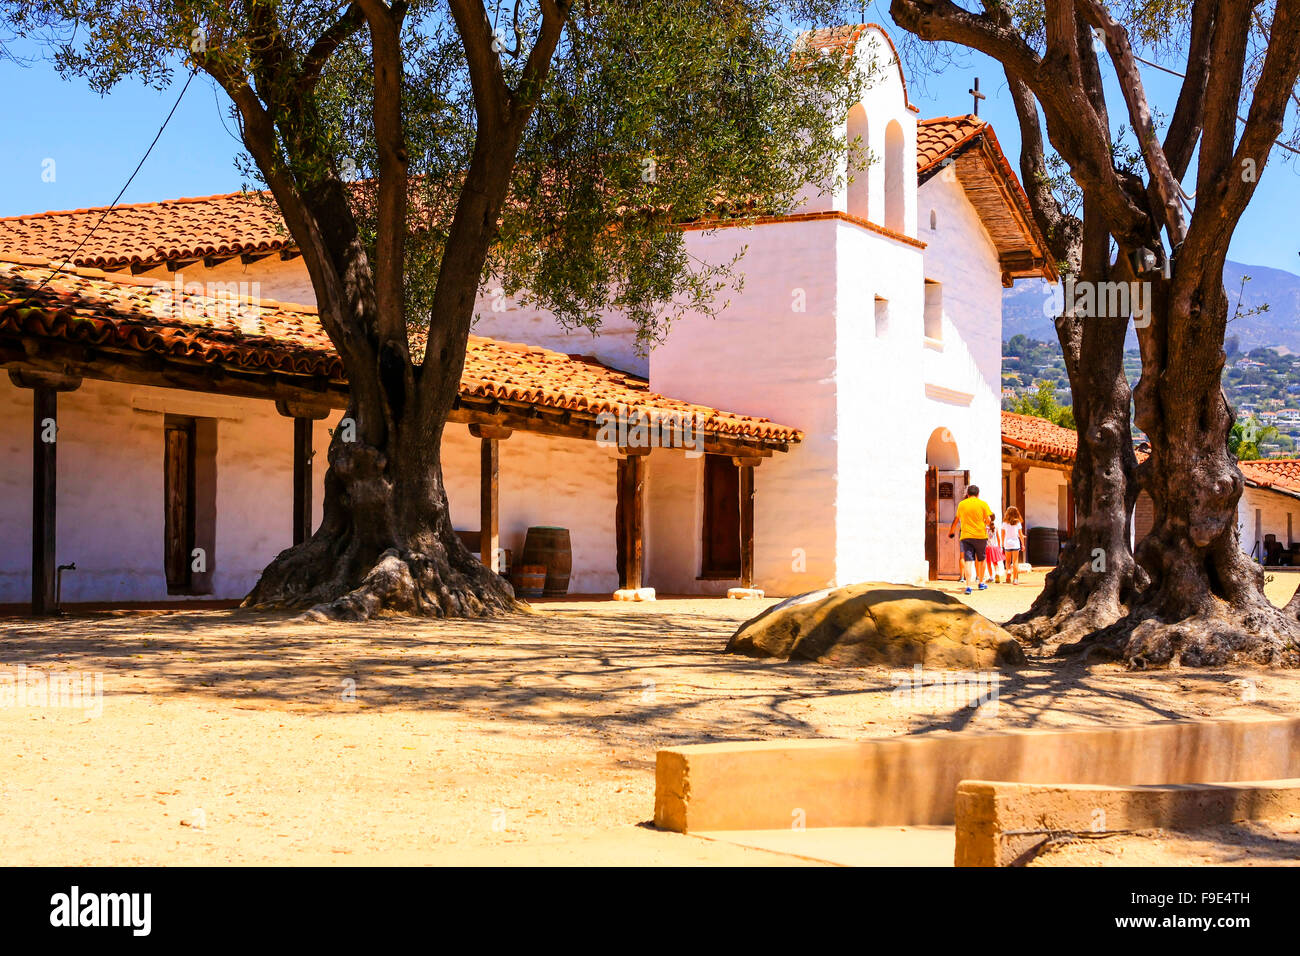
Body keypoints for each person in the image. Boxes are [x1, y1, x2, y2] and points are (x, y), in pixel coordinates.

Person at [948, 484, 995, 594]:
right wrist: (985, 522)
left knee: (968, 561)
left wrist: (951, 531)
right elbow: (988, 520)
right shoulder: (983, 504)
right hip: (980, 536)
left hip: (966, 536)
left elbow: (956, 519)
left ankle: (968, 585)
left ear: (968, 494)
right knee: (981, 559)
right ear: (978, 494)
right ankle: (981, 582)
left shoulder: (962, 504)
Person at [1001, 506, 1024, 585]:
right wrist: (1023, 544)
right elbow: (1021, 535)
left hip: (1007, 543)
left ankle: (1008, 573)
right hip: (1015, 543)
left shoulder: (1004, 523)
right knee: (1015, 561)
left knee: (1007, 561)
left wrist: (1003, 543)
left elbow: (1003, 534)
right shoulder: (1018, 523)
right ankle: (1015, 579)